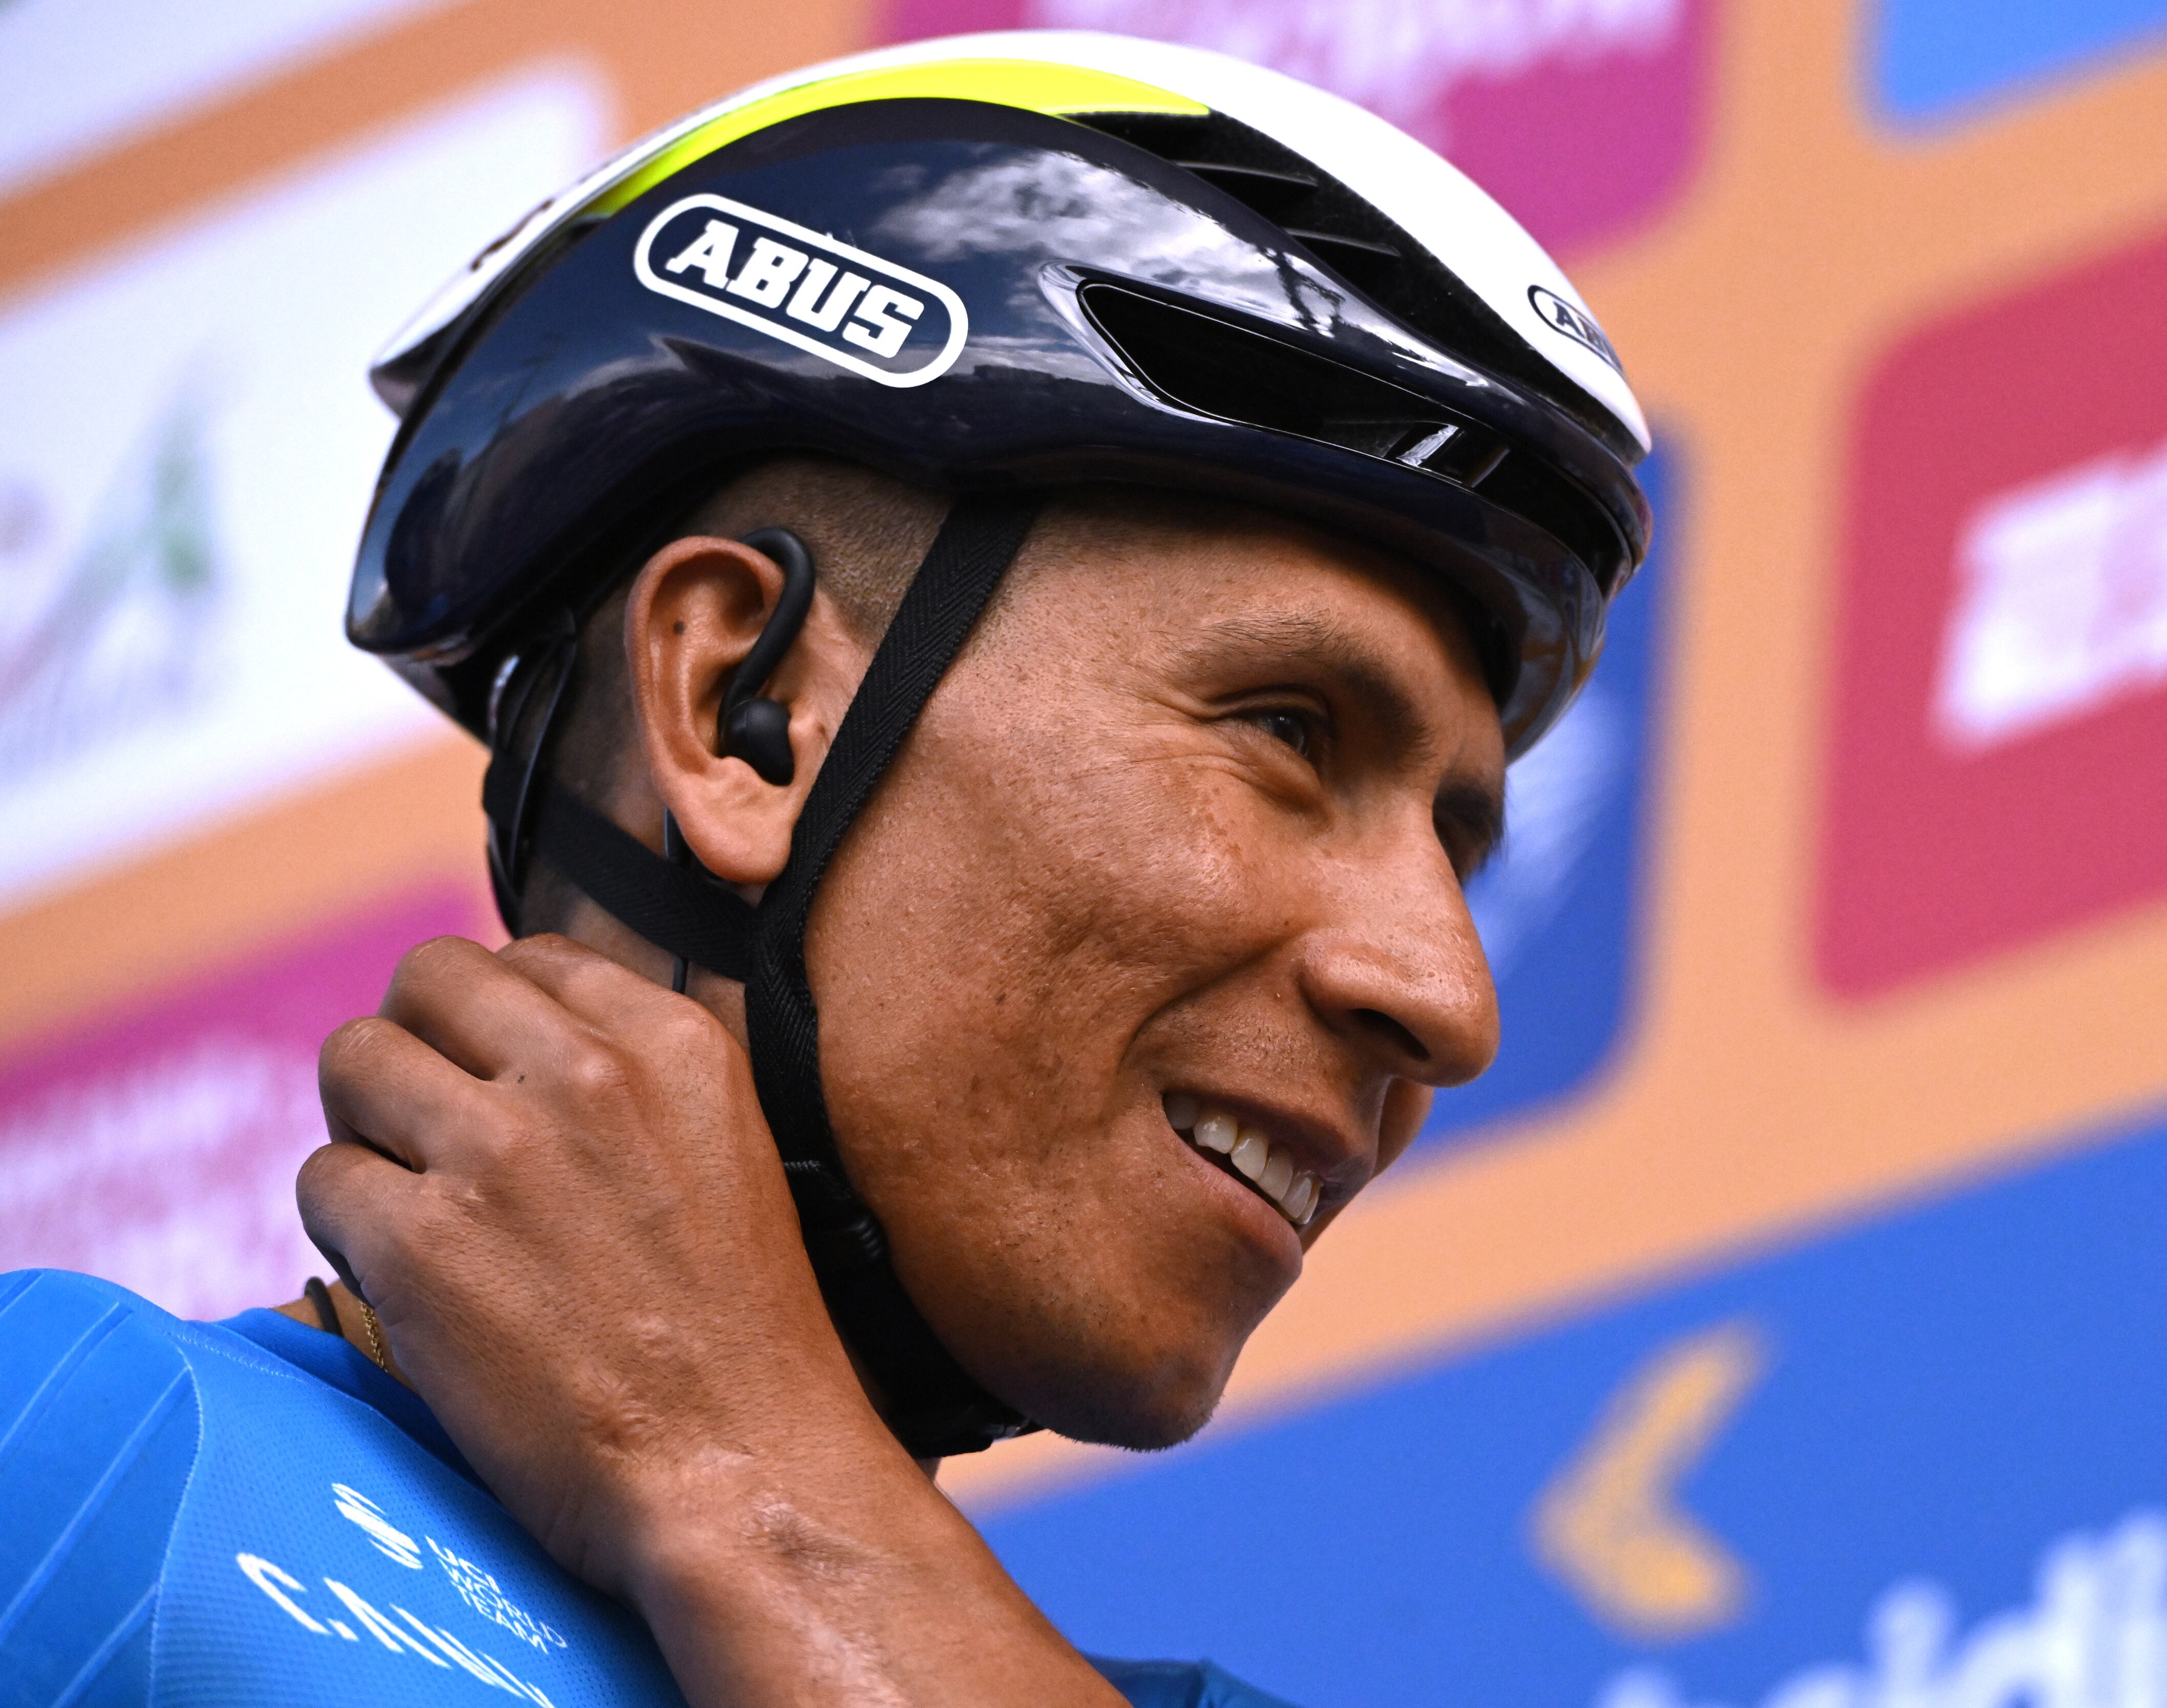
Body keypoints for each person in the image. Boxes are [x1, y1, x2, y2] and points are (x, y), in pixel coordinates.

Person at [0, 28, 1650, 1707]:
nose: (1449, 996)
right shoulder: (74, 1458)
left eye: (1455, 840)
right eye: (1291, 729)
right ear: (748, 711)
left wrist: (745, 1477)